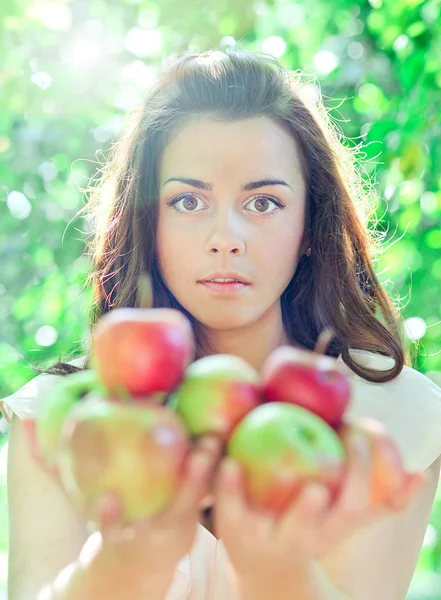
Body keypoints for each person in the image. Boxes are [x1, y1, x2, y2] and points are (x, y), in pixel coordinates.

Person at [1, 48, 441, 600]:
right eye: (188, 201)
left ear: (310, 224)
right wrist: (123, 568)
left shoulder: (390, 416)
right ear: (148, 221)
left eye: (263, 203)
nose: (225, 236)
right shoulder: (65, 419)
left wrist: (278, 577)